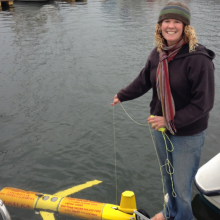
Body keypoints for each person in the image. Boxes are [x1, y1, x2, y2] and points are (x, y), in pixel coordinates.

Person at [111, 2, 215, 220]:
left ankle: (182, 217)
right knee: (168, 179)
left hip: (188, 134)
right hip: (162, 130)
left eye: (176, 21)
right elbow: (143, 80)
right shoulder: (159, 52)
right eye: (166, 21)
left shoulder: (198, 60)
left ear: (186, 27)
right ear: (159, 26)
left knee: (182, 186)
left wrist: (169, 121)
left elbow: (203, 104)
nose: (171, 26)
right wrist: (122, 95)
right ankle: (170, 212)